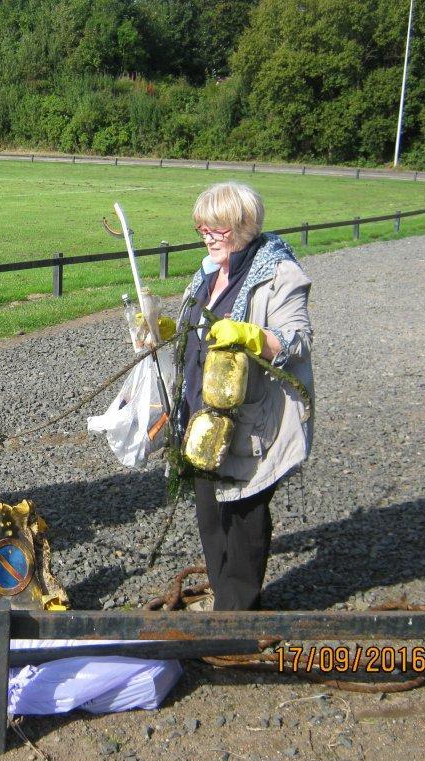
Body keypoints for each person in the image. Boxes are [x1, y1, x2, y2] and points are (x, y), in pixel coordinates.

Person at [169, 181, 314, 610]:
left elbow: (297, 342)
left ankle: (238, 617)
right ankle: (223, 600)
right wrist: (166, 331)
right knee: (209, 514)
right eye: (203, 228)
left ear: (245, 225)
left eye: (219, 228)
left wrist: (251, 335)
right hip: (201, 415)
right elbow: (193, 330)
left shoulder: (278, 273)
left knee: (244, 516)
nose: (209, 236)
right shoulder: (208, 272)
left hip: (250, 422)